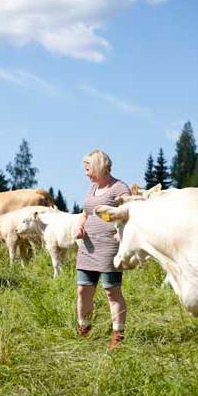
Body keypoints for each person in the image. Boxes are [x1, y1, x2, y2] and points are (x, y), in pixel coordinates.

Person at [75, 149, 131, 350]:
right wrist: (80, 225)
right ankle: (84, 328)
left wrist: (122, 232)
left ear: (98, 166)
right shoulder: (92, 189)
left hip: (109, 247)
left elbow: (130, 211)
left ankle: (118, 334)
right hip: (88, 248)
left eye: (88, 168)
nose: (86, 173)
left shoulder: (119, 188)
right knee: (83, 290)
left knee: (111, 291)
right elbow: (86, 212)